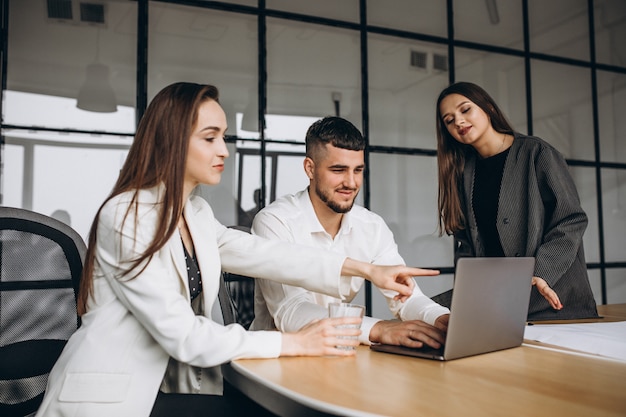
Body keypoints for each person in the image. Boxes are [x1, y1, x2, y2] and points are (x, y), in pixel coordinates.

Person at [35, 82, 424, 417]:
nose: (223, 150)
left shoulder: (195, 212)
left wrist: (367, 270)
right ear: (172, 141)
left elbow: (269, 254)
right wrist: (294, 342)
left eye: (223, 136)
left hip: (163, 390)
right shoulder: (128, 215)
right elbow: (184, 335)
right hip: (107, 400)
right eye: (210, 138)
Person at [250, 116, 450, 349]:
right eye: (338, 170)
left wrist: (441, 319)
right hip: (278, 359)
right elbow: (291, 312)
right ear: (310, 168)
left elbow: (405, 298)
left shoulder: (371, 226)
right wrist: (378, 329)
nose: (351, 182)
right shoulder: (275, 221)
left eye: (358, 170)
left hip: (341, 353)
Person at [435, 81, 598, 321]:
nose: (458, 121)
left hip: (545, 293)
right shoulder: (462, 172)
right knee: (424, 315)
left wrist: (542, 272)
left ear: (488, 107)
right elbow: (467, 245)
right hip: (496, 293)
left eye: (465, 109)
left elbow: (571, 220)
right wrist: (468, 293)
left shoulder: (537, 153)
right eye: (449, 120)